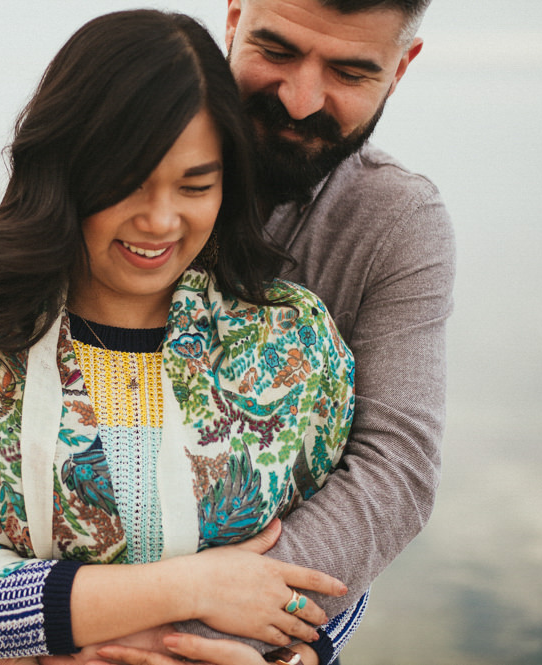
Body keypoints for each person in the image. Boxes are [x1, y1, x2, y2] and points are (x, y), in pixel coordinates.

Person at [0, 9, 364, 665]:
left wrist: (305, 660)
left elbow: (342, 566)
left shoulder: (291, 338)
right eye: (129, 182)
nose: (160, 220)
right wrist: (193, 586)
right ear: (68, 167)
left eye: (196, 185)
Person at [98, 1, 454, 663]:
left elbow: (393, 473)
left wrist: (196, 642)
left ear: (401, 68)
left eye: (350, 71)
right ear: (233, 16)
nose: (300, 100)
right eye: (279, 51)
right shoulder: (95, 166)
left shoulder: (399, 221)